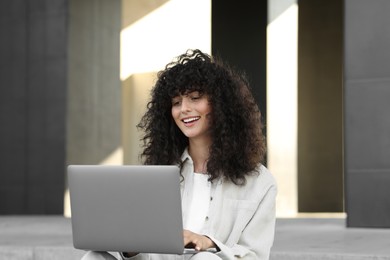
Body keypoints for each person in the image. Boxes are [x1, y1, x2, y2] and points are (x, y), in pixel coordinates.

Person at [81, 49, 277, 260]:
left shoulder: (260, 182)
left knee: (205, 259)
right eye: (176, 102)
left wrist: (210, 244)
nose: (184, 109)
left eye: (194, 98)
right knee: (93, 257)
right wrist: (131, 250)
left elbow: (255, 255)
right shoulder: (158, 174)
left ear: (222, 104)